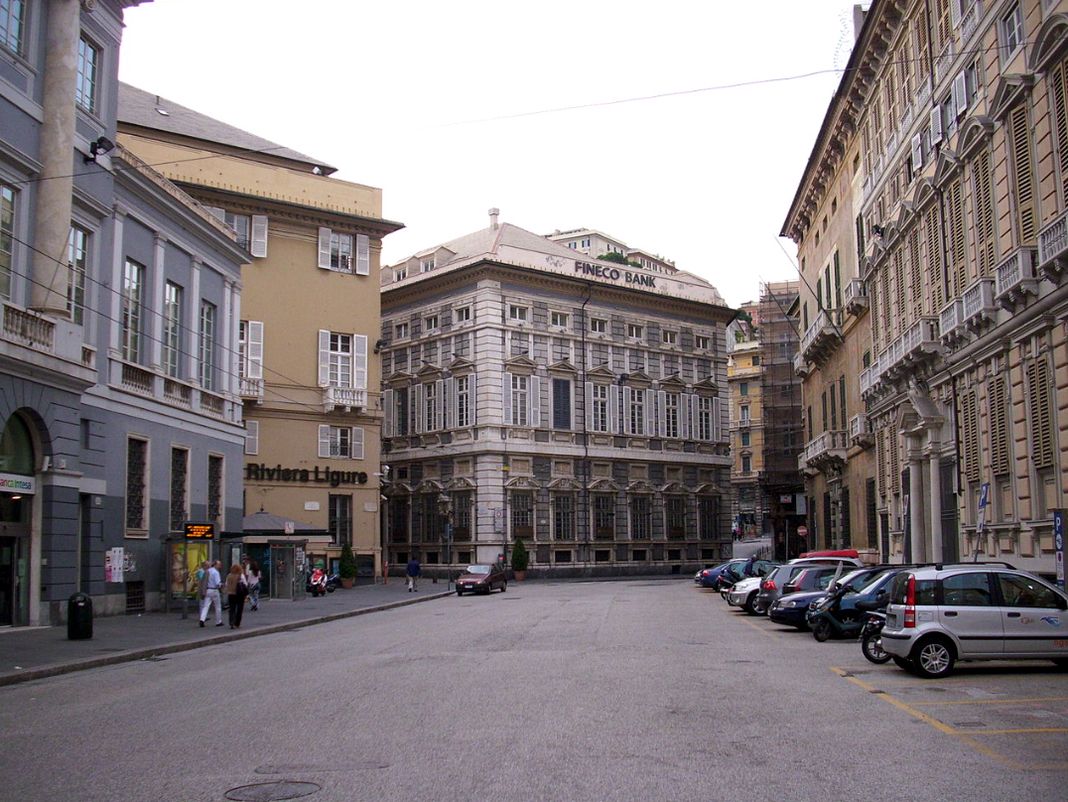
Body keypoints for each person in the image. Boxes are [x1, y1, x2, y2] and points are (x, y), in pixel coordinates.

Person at [199, 560, 223, 627]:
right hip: (214, 590)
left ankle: (202, 619)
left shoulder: (208, 571)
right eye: (219, 565)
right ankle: (218, 621)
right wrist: (222, 586)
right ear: (215, 565)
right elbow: (218, 583)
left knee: (206, 606)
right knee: (218, 606)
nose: (220, 566)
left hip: (208, 590)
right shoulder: (216, 572)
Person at [224, 564, 248, 629]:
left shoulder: (229, 575)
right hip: (239, 594)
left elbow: (226, 584)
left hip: (231, 594)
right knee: (239, 609)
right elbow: (245, 584)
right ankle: (237, 623)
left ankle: (231, 622)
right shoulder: (241, 576)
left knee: (232, 608)